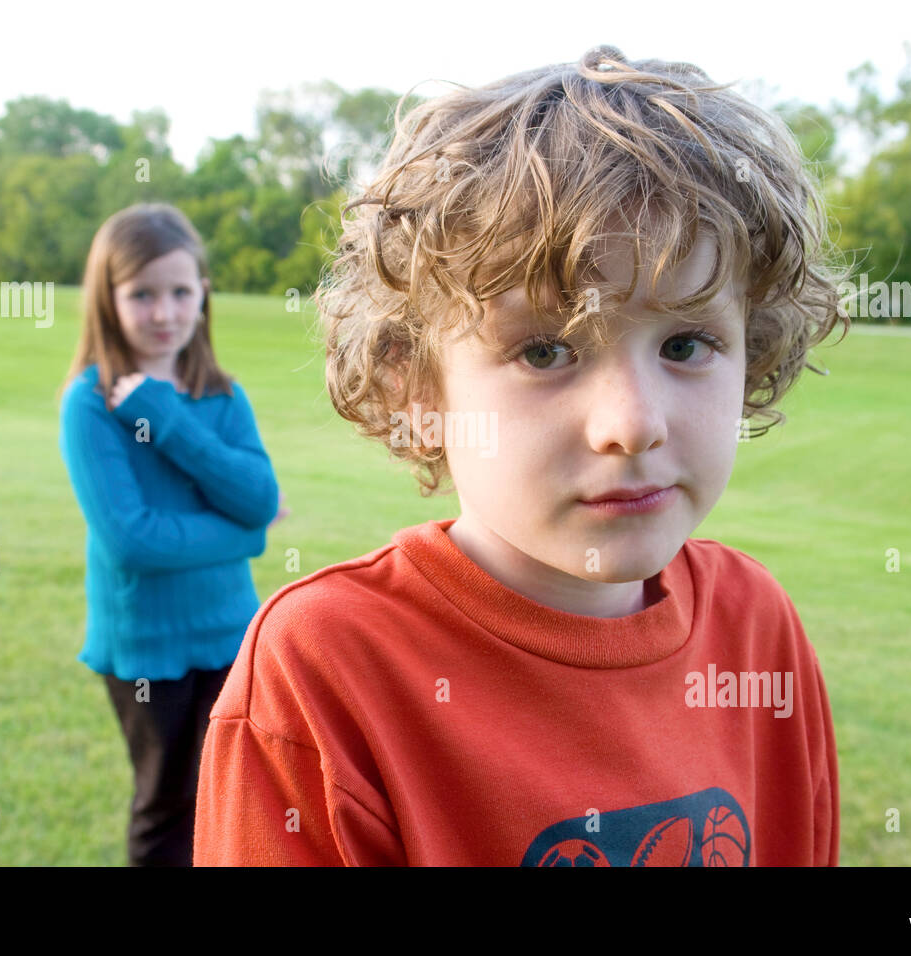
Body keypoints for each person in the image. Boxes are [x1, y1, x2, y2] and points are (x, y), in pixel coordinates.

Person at [194, 47, 849, 866]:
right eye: (545, 351)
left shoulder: (756, 629)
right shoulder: (327, 670)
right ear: (415, 387)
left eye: (686, 342)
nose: (631, 426)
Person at [57, 203, 284, 866]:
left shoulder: (220, 394)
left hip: (230, 634)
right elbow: (134, 540)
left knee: (232, 796)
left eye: (180, 292)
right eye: (142, 295)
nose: (164, 313)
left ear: (203, 295)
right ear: (109, 298)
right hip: (146, 648)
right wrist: (248, 538)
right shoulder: (91, 402)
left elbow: (259, 496)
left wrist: (168, 419)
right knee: (166, 807)